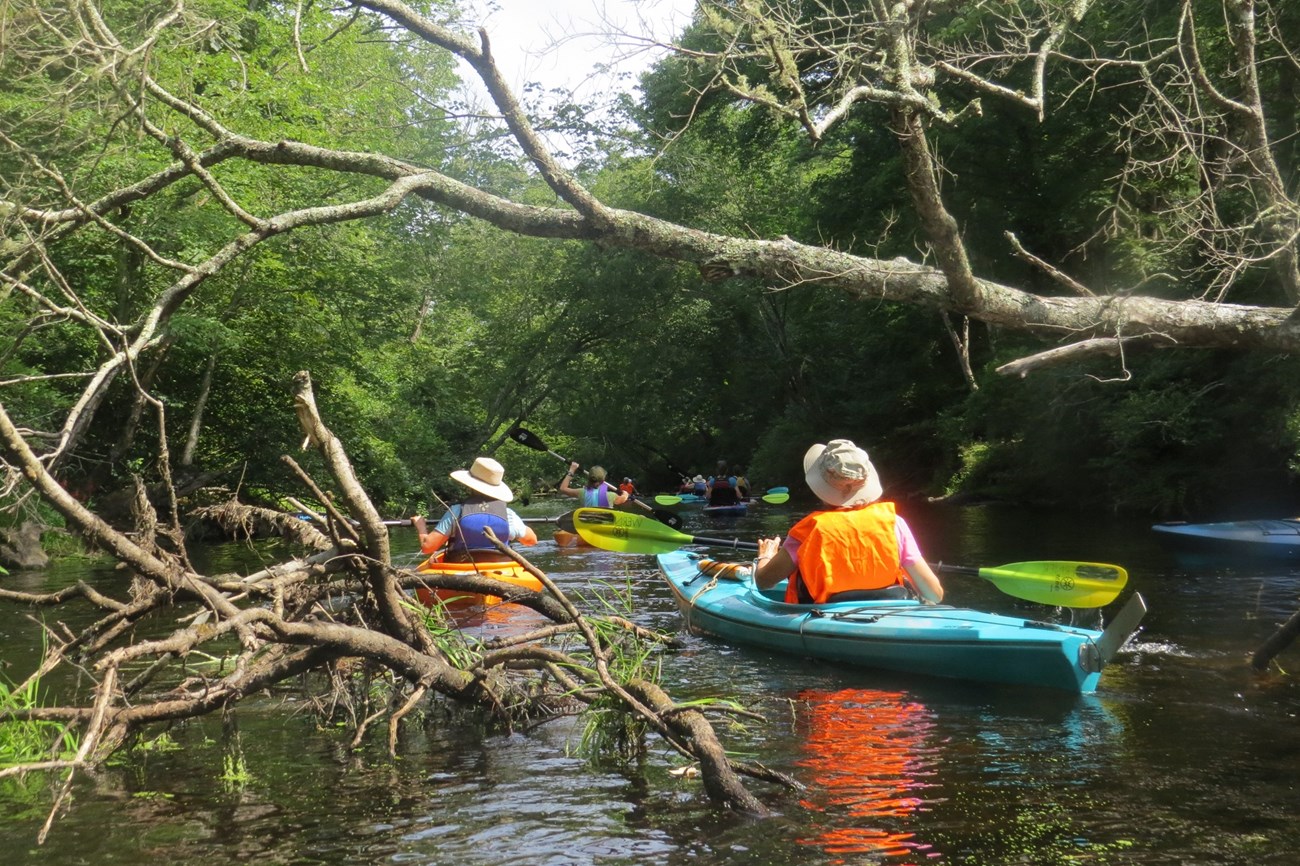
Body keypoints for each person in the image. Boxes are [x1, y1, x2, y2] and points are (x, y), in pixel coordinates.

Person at [751, 439, 944, 605]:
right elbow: (934, 594)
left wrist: (765, 556)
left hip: (822, 620)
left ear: (822, 488)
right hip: (889, 613)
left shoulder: (808, 531)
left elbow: (764, 582)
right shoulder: (895, 524)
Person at [411, 456, 537, 561]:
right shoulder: (508, 514)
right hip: (499, 570)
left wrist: (421, 526)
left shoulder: (456, 511)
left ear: (470, 486)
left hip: (460, 571)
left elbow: (427, 547)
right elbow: (531, 541)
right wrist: (516, 528)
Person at [559, 462, 631, 507]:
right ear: (603, 481)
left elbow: (563, 488)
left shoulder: (581, 492)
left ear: (589, 478)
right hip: (603, 526)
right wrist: (625, 493)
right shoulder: (611, 495)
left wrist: (572, 470)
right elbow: (623, 499)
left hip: (586, 524)